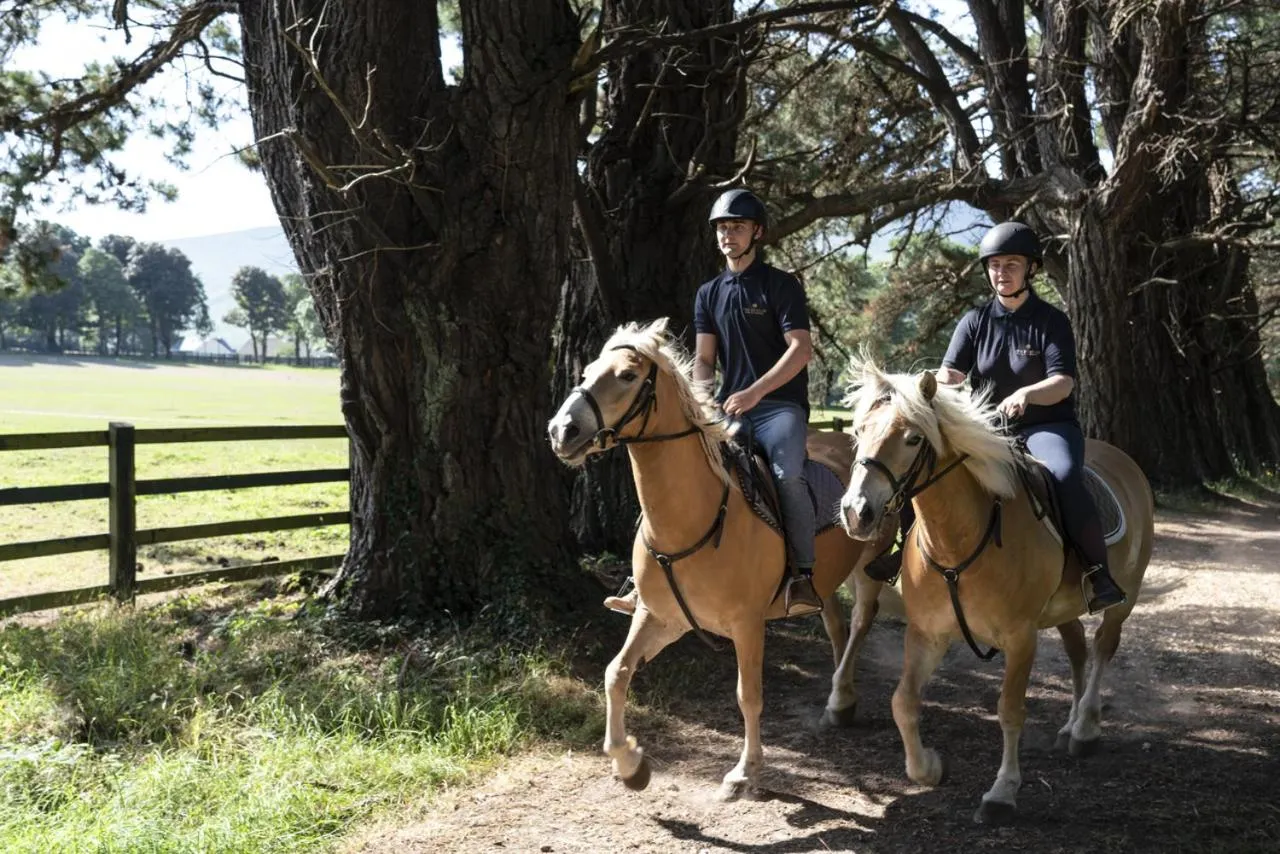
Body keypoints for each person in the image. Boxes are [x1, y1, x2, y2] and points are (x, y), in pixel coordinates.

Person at [864, 222, 1126, 615]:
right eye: (995, 265)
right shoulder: (975, 321)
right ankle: (902, 551)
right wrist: (924, 385)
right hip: (988, 429)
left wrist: (1026, 394)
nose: (1002, 273)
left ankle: (1096, 572)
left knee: (1064, 477)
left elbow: (1063, 383)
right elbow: (952, 373)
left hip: (1045, 427)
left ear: (1030, 270)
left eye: (1012, 265)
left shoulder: (1051, 321)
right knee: (917, 469)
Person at [606, 188, 822, 618]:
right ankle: (641, 579)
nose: (728, 235)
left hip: (779, 408)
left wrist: (756, 391)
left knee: (788, 475)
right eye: (723, 228)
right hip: (729, 410)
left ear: (756, 233)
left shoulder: (781, 286)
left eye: (737, 227)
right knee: (678, 471)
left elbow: (800, 350)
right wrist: (700, 401)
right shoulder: (708, 293)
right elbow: (704, 360)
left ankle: (802, 575)